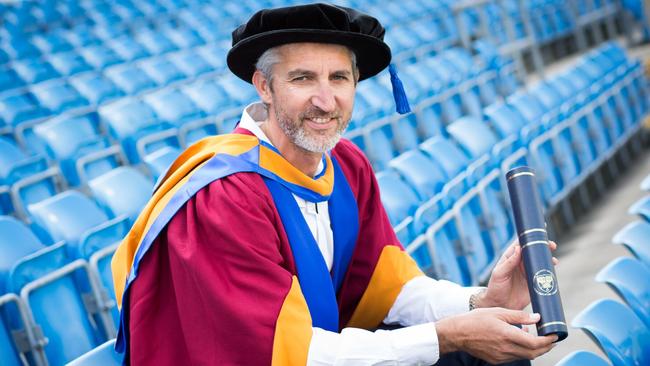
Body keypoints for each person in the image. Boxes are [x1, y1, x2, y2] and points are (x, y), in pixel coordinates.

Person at [111, 3, 559, 365]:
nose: (326, 101)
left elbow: (385, 285)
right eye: (303, 78)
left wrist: (478, 302)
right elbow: (282, 353)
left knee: (497, 353)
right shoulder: (222, 195)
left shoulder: (345, 163)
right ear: (263, 86)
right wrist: (447, 336)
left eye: (340, 78)